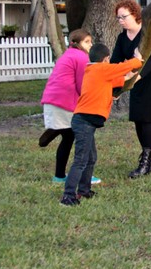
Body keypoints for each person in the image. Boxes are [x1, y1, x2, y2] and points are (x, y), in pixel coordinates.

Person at [60, 44, 143, 206]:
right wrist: (137, 60)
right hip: (84, 121)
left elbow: (118, 79)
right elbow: (123, 67)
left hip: (85, 121)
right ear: (106, 59)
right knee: (81, 160)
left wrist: (130, 76)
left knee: (90, 158)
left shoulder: (95, 73)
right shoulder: (100, 69)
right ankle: (68, 195)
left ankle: (84, 190)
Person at [111, 0, 151, 178]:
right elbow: (116, 61)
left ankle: (146, 161)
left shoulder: (150, 32)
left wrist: (135, 77)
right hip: (136, 80)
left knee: (147, 117)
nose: (121, 21)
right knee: (138, 117)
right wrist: (114, 86)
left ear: (135, 15)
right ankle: (150, 158)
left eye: (124, 17)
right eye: (118, 18)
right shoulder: (122, 37)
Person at [39, 29, 101, 186]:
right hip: (64, 103)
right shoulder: (81, 57)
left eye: (90, 41)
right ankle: (84, 176)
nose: (90, 44)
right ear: (77, 43)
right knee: (83, 138)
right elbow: (83, 84)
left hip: (53, 101)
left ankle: (59, 175)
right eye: (87, 41)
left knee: (68, 137)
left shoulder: (68, 55)